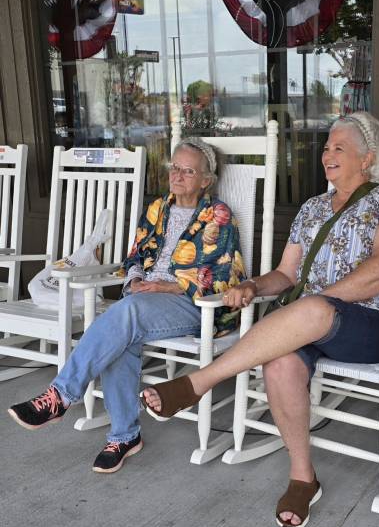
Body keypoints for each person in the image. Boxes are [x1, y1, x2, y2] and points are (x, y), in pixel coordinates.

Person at [141, 112, 379, 527]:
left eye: (339, 148)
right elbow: (287, 274)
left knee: (312, 308)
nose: (327, 154)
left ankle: (199, 382)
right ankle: (303, 478)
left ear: (367, 158)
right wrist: (252, 285)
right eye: (326, 147)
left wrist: (319, 302)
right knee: (279, 363)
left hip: (368, 325)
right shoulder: (312, 208)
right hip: (305, 322)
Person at [8, 138, 246, 473]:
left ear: (206, 180)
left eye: (188, 171)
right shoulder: (158, 208)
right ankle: (124, 436)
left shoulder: (218, 216)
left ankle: (60, 396)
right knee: (122, 333)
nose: (177, 175)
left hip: (190, 303)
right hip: (144, 301)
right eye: (174, 167)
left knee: (125, 314)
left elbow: (223, 275)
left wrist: (167, 285)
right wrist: (134, 279)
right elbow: (134, 256)